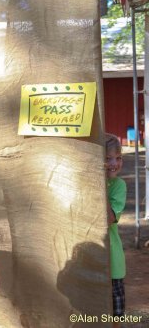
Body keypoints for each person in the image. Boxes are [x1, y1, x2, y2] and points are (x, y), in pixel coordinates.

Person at [105, 133, 127, 328]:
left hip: (113, 262)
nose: (114, 163)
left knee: (115, 316)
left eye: (118, 158)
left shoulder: (119, 185)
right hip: (89, 259)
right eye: (108, 158)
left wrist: (97, 185)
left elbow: (109, 218)